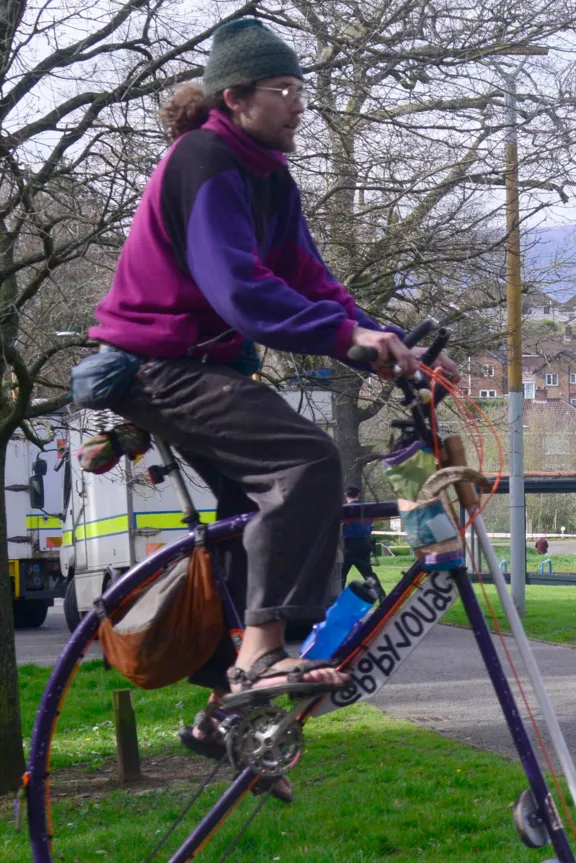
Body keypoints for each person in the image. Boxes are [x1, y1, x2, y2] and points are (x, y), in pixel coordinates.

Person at [88, 17, 458, 793]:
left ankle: (228, 711)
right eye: (284, 92)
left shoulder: (267, 176)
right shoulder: (207, 161)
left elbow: (311, 281)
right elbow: (243, 293)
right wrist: (347, 340)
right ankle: (262, 650)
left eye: (301, 91)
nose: (298, 107)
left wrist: (391, 342)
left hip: (206, 364)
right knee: (306, 460)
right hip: (164, 364)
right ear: (237, 96)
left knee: (254, 513)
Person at [341, 485, 377, 583]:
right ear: (358, 495)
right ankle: (381, 595)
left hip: (349, 544)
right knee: (368, 574)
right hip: (364, 543)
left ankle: (337, 596)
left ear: (345, 495)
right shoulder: (367, 509)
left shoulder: (344, 510)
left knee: (342, 574)